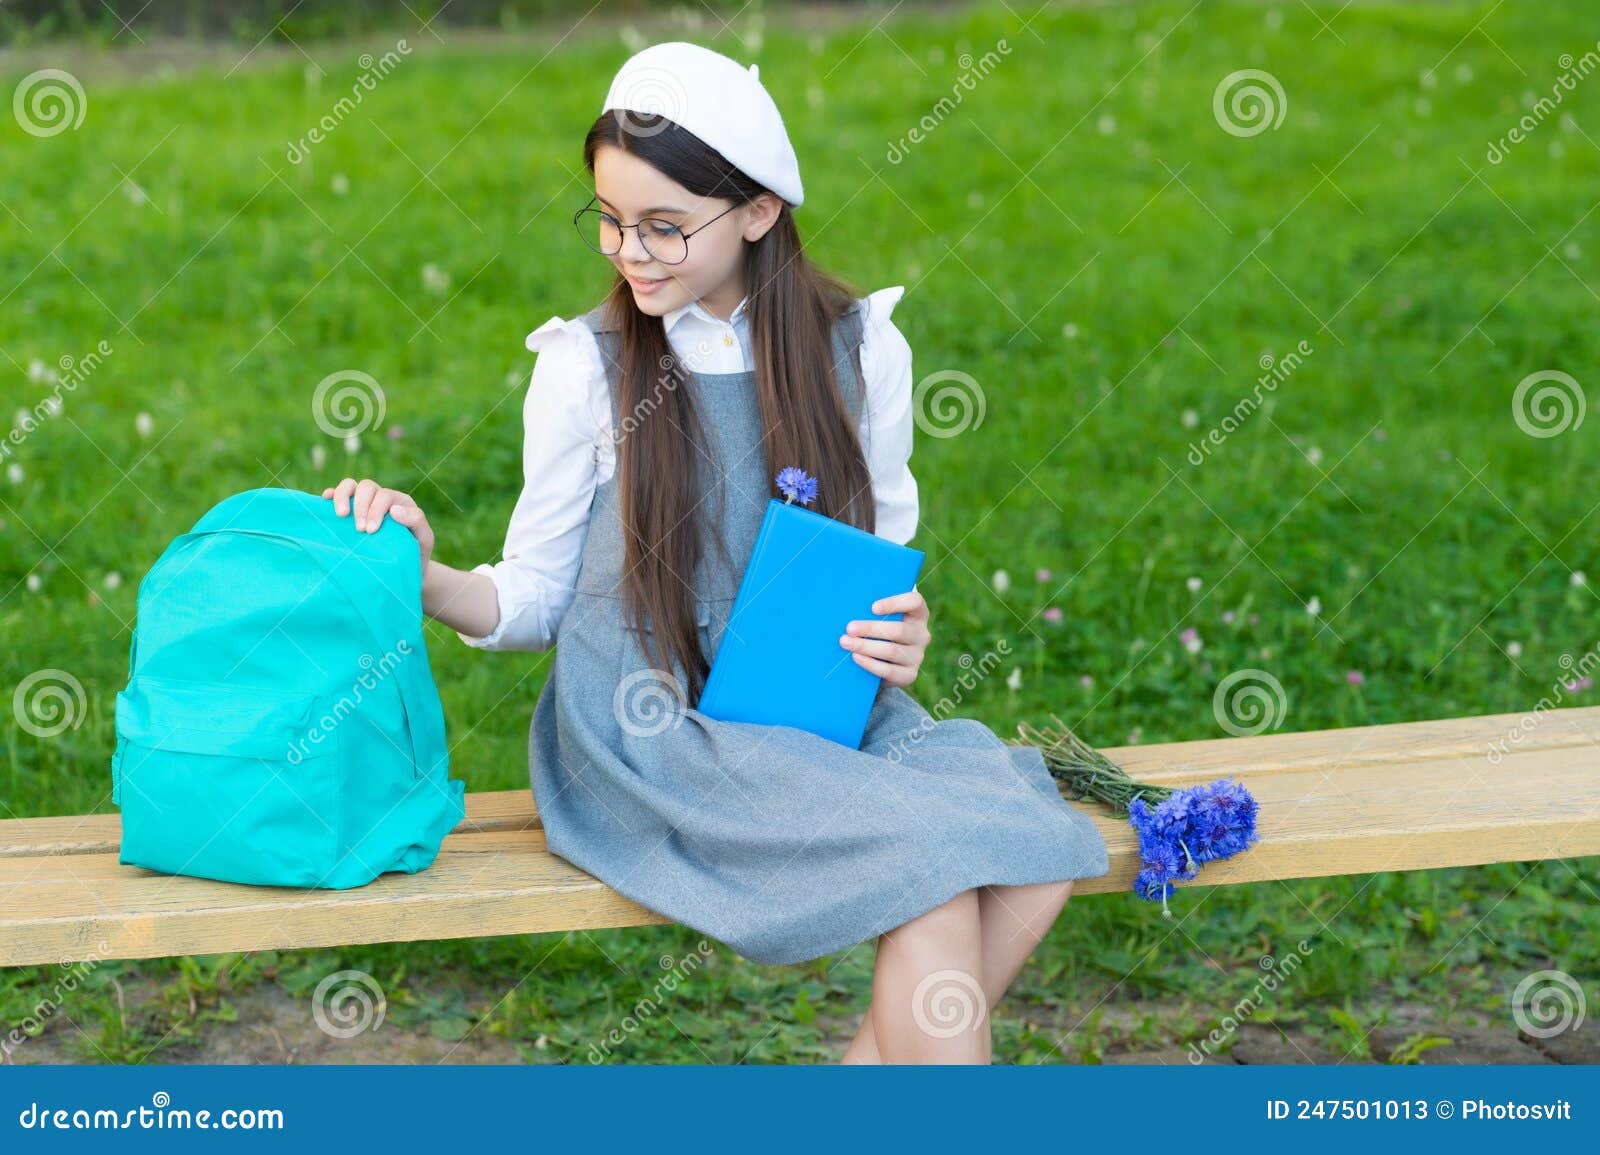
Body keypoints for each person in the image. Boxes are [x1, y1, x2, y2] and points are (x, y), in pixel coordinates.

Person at [323, 40, 1109, 1064]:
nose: (629, 253)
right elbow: (533, 599)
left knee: (1033, 852)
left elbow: (876, 561)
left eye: (661, 227)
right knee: (940, 861)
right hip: (649, 729)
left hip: (805, 702)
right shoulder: (585, 368)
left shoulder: (861, 348)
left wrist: (897, 638)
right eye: (608, 222)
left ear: (757, 211)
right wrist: (424, 574)